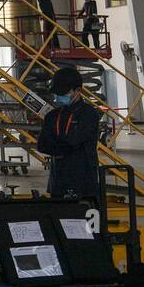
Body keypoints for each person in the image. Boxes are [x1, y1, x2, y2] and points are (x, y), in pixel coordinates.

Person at [37, 66, 102, 203]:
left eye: (63, 93)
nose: (58, 97)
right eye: (56, 93)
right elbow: (42, 145)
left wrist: (57, 144)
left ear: (78, 91)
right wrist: (64, 144)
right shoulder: (52, 116)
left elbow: (74, 141)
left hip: (84, 185)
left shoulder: (89, 114)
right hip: (58, 185)